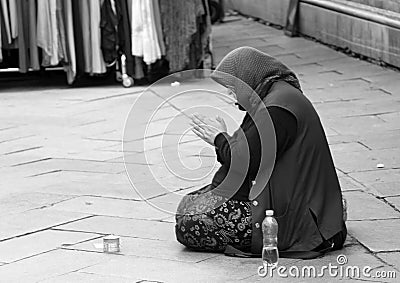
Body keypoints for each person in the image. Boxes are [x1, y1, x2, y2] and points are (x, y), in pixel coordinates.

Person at [175, 46, 347, 258]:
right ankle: (331, 212)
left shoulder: (278, 109)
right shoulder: (273, 96)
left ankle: (325, 218)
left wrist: (219, 138)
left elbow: (246, 161)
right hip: (278, 195)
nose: (230, 94)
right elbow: (249, 147)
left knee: (187, 225)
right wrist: (224, 139)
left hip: (286, 213)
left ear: (247, 80)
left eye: (232, 87)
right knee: (187, 204)